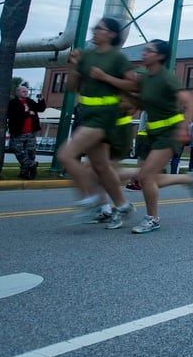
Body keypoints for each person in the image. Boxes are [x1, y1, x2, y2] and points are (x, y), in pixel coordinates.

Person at [55, 16, 140, 228]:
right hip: (87, 113)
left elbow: (133, 85)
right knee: (101, 166)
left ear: (111, 34)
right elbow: (72, 87)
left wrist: (106, 78)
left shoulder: (117, 59)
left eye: (100, 29)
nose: (95, 31)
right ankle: (122, 205)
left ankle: (90, 200)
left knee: (65, 155)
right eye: (95, 28)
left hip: (105, 116)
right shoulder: (87, 56)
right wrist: (74, 66)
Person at [115, 40, 193, 233]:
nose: (144, 53)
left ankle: (152, 219)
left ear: (160, 56)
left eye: (149, 51)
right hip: (153, 134)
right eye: (144, 49)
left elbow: (189, 101)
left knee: (146, 175)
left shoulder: (165, 78)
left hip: (169, 133)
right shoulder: (146, 79)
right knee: (148, 177)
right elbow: (141, 103)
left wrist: (183, 127)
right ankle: (188, 179)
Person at [8, 84, 46, 180]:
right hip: (19, 132)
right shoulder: (13, 103)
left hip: (31, 132)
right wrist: (28, 113)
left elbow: (40, 109)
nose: (26, 93)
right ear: (18, 92)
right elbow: (14, 115)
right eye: (23, 91)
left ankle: (25, 172)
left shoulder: (29, 101)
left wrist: (41, 100)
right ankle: (31, 164)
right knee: (18, 150)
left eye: (26, 91)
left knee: (30, 152)